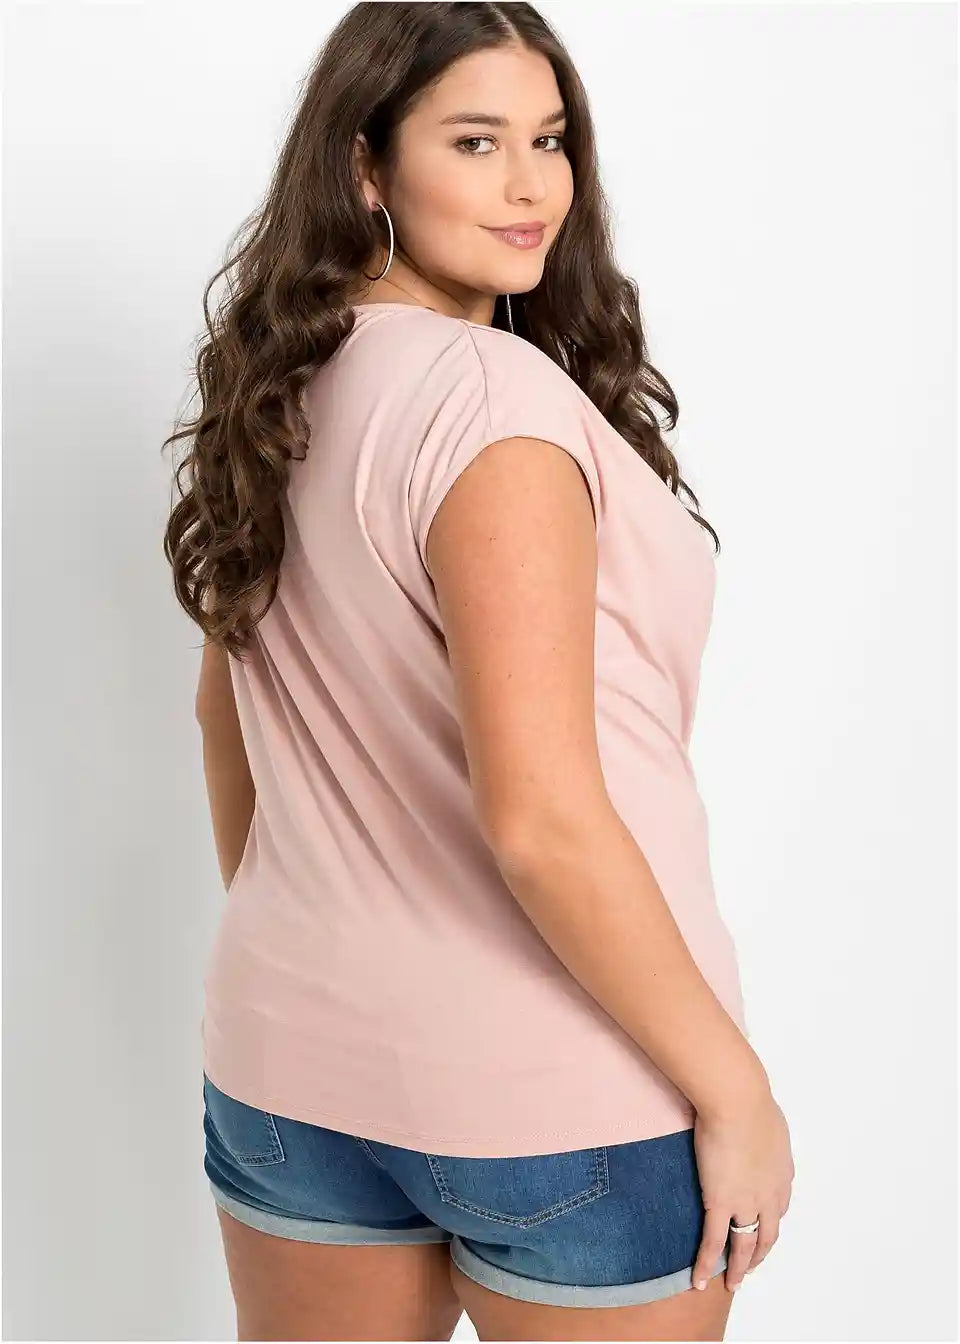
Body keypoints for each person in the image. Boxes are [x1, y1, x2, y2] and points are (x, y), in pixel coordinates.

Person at [167, 4, 794, 1339]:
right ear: (365, 166)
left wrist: (329, 939)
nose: (530, 186)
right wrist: (735, 1088)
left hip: (289, 1070)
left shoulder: (274, 390)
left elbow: (225, 723)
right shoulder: (492, 404)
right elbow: (543, 821)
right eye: (474, 141)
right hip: (562, 1095)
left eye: (550, 140)